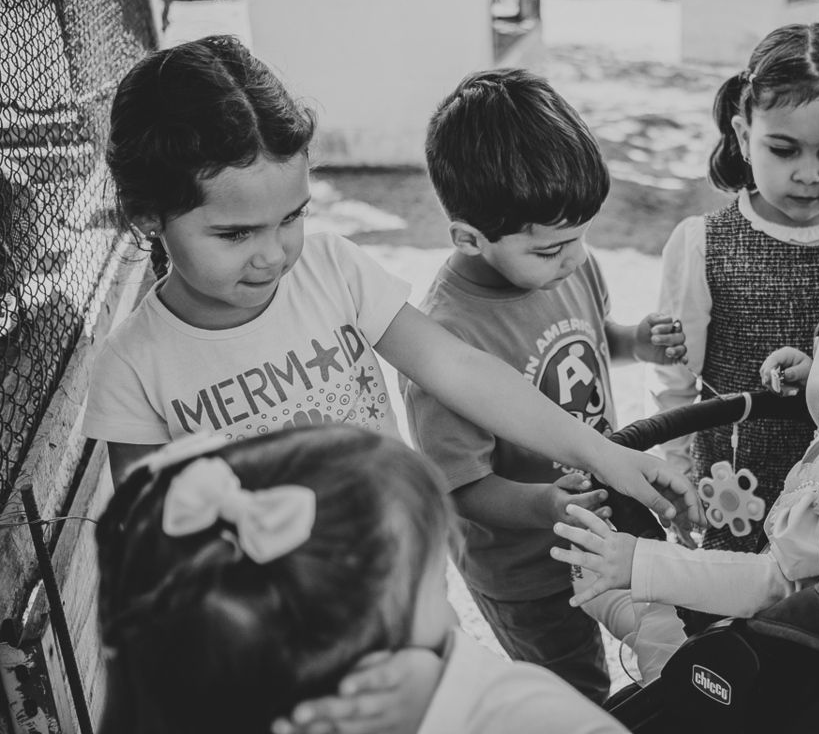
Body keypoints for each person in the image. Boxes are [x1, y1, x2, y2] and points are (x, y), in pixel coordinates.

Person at [81, 36, 698, 528]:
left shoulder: (332, 270)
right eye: (235, 234)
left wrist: (605, 454)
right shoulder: (134, 368)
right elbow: (151, 528)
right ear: (147, 217)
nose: (273, 255)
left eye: (292, 217)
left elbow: (460, 370)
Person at [400, 67, 689, 704]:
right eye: (554, 248)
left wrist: (631, 341)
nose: (576, 258)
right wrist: (548, 508)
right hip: (526, 573)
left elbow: (585, 338)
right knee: (572, 687)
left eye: (581, 236)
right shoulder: (444, 340)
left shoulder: (566, 265)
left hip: (603, 532)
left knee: (661, 640)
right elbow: (464, 488)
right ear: (471, 239)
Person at [94, 426, 631, 734]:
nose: (451, 618)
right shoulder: (518, 716)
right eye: (436, 591)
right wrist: (440, 700)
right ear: (364, 674)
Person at [552, 256, 819, 623]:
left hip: (792, 648)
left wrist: (640, 562)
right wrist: (813, 375)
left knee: (633, 618)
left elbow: (769, 585)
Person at [650, 22, 819, 555]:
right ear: (743, 136)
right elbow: (676, 379)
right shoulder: (702, 243)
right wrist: (677, 476)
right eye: (783, 149)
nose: (808, 174)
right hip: (734, 480)